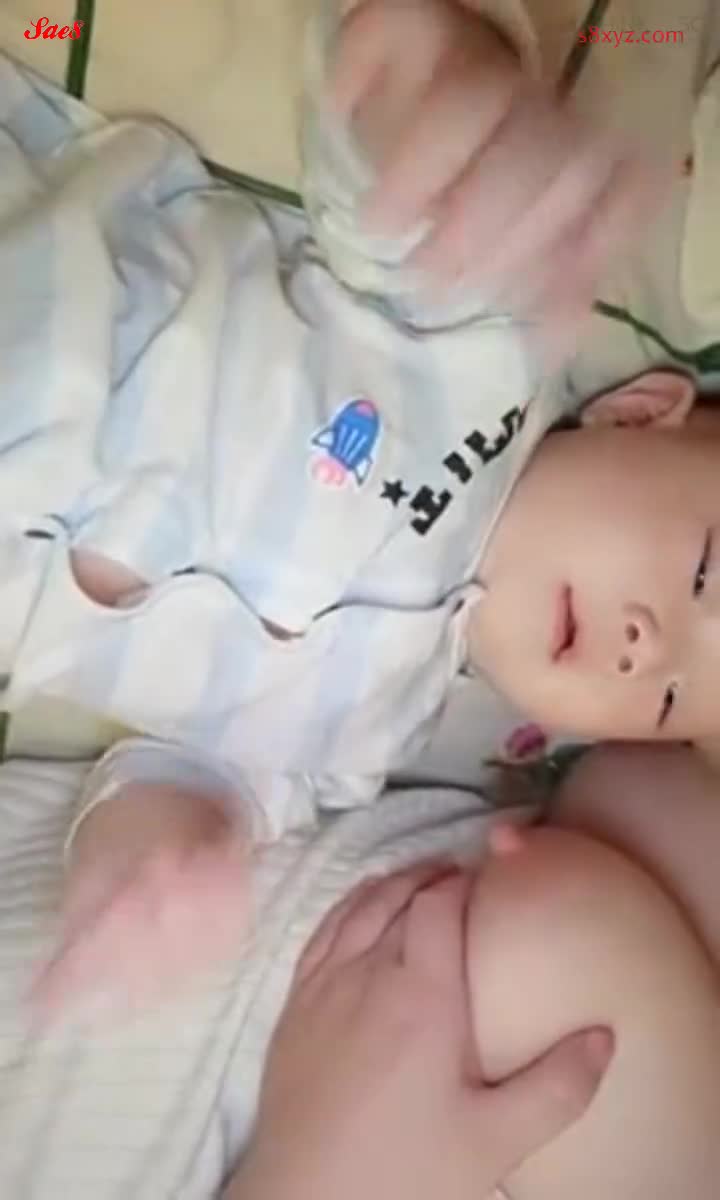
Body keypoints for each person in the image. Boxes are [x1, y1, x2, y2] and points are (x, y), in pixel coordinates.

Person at [0, 0, 716, 1014]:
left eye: (670, 700)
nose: (646, 647)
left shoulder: (380, 741)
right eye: (702, 572)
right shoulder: (486, 342)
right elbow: (393, 176)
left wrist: (160, 848)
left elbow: (204, 778)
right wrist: (446, 89)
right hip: (50, 301)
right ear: (639, 415)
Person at [0, 749, 717, 1198]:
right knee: (553, 956)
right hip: (439, 1135)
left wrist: (151, 800)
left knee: (643, 796)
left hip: (409, 854)